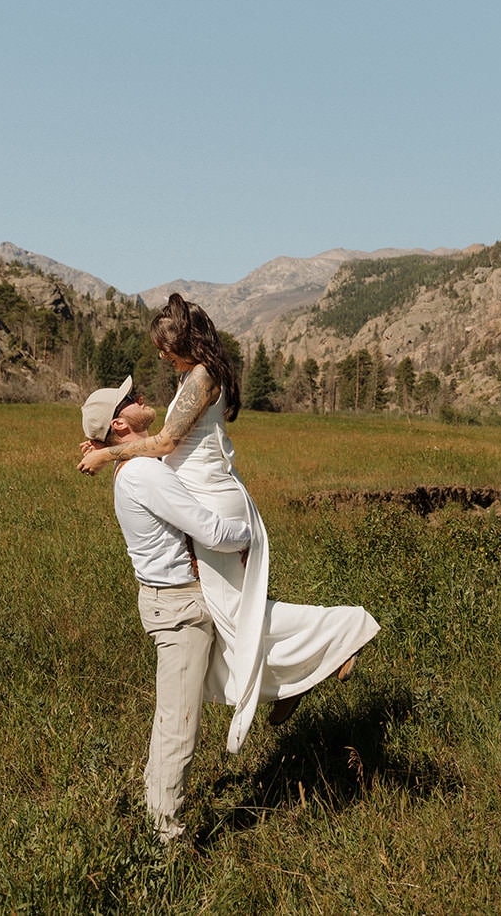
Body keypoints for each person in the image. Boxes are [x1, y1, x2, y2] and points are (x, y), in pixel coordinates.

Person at [79, 294, 378, 753]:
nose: (161, 355)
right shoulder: (192, 376)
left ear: (185, 340)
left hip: (215, 506)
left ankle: (343, 630)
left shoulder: (202, 377)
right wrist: (103, 440)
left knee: (239, 613)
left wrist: (106, 453)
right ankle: (286, 683)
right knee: (230, 616)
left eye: (165, 346)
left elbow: (163, 443)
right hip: (205, 501)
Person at [81, 375, 252, 843]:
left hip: (167, 602)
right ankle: (167, 837)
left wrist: (102, 449)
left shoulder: (135, 466)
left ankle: (157, 808)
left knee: (171, 714)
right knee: (179, 725)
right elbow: (209, 531)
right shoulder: (145, 473)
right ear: (120, 423)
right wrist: (251, 534)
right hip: (180, 608)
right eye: (132, 401)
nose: (142, 399)